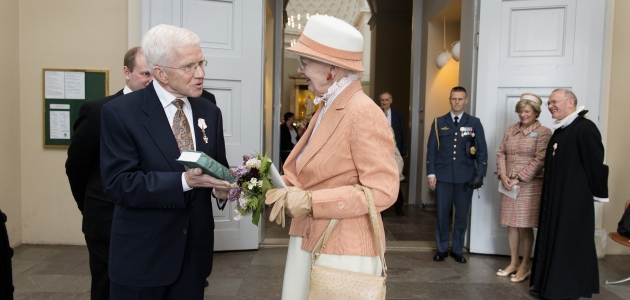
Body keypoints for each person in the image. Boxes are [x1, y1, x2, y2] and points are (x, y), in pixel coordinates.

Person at [264, 15, 399, 299]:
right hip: (311, 238)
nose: (300, 70)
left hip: (343, 248)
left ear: (332, 69)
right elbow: (315, 171)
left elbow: (383, 191)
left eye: (305, 62)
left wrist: (311, 202)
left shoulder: (362, 110)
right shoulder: (327, 106)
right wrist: (266, 183)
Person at [100, 24, 233, 299]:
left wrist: (224, 188)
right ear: (160, 72)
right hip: (143, 257)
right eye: (189, 66)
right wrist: (184, 181)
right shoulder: (120, 113)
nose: (201, 74)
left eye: (201, 63)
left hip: (194, 256)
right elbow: (119, 184)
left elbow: (217, 165)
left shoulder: (210, 110)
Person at [65, 46, 152, 300]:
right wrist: (91, 207)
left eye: (154, 76)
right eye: (144, 74)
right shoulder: (98, 111)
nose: (150, 82)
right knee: (107, 289)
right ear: (127, 72)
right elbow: (76, 167)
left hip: (148, 224)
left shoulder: (162, 114)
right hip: (106, 222)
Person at [529, 89, 609, 300]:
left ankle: (566, 288)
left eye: (554, 102)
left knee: (568, 242)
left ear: (570, 103)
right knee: (553, 238)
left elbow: (595, 163)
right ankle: (547, 286)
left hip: (573, 200)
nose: (550, 106)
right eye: (549, 103)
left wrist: (598, 193)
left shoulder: (585, 128)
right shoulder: (562, 130)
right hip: (556, 198)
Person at [426, 86, 488, 263]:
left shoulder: (474, 122)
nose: (457, 102)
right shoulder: (439, 122)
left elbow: (482, 150)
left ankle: (457, 249)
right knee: (442, 215)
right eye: (454, 98)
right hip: (443, 175)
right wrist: (431, 172)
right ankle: (442, 248)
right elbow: (432, 150)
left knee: (461, 215)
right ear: (450, 99)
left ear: (466, 100)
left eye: (460, 99)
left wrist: (480, 173)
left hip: (465, 176)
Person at [495, 93, 551, 283]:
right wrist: (503, 175)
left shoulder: (543, 132)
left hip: (529, 185)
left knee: (525, 226)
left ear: (536, 112)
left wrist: (519, 178)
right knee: (511, 224)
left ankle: (525, 265)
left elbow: (540, 159)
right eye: (520, 111)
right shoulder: (511, 130)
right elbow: (501, 153)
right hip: (508, 184)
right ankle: (513, 262)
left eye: (527, 111)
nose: (523, 115)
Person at [380, 91, 407, 216]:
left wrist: (403, 151)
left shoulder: (398, 115)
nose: (384, 102)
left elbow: (402, 133)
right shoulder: (377, 113)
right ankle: (382, 207)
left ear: (391, 100)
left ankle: (398, 206)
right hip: (381, 153)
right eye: (382, 100)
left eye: (386, 100)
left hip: (395, 152)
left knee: (396, 179)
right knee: (382, 179)